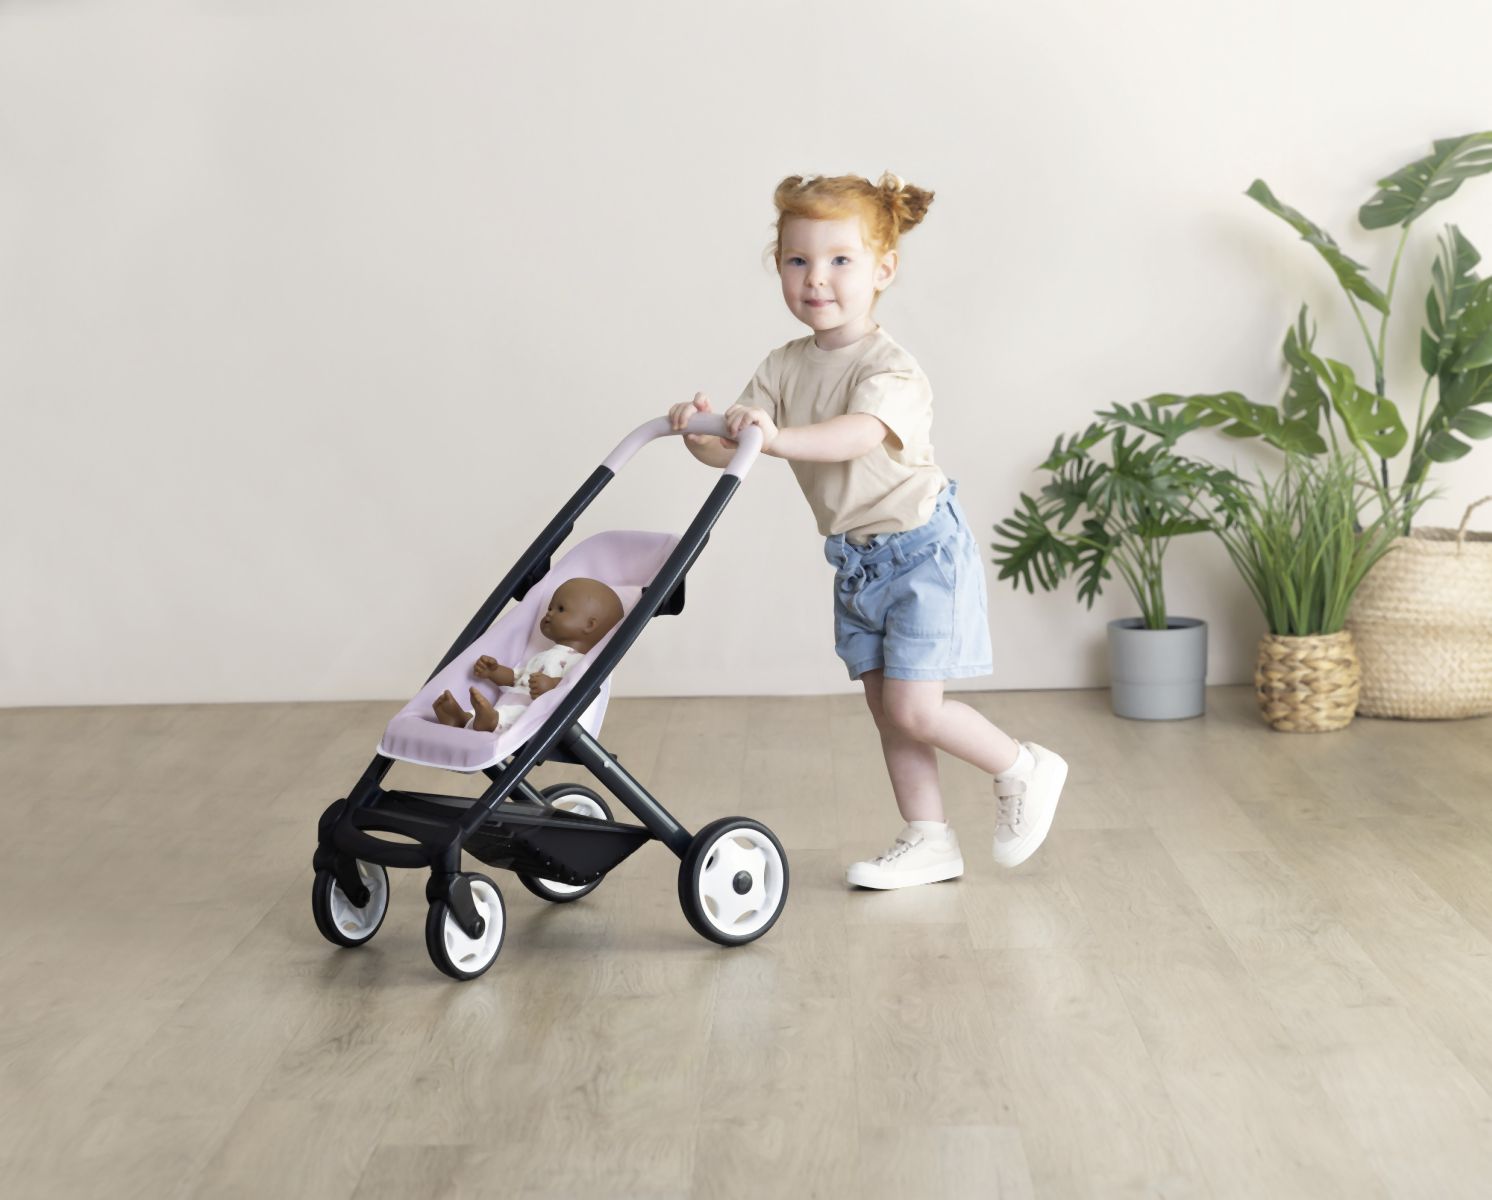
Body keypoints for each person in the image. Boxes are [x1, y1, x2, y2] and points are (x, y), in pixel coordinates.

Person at [668, 171, 1067, 889]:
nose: (816, 278)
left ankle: (1021, 766)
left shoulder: (891, 368)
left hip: (921, 554)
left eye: (839, 260)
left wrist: (776, 437)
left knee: (915, 708)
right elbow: (737, 446)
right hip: (857, 565)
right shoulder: (783, 366)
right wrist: (701, 432)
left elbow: (856, 434)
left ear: (883, 270)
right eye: (797, 260)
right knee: (890, 713)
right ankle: (929, 837)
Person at [432, 577, 623, 732]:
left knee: (512, 715)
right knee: (498, 711)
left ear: (589, 625)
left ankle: (490, 721)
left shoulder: (581, 663)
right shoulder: (542, 656)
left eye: (560, 609)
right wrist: (494, 672)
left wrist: (551, 686)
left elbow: (574, 689)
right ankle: (463, 719)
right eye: (549, 608)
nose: (549, 614)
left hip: (536, 716)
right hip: (508, 705)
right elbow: (517, 677)